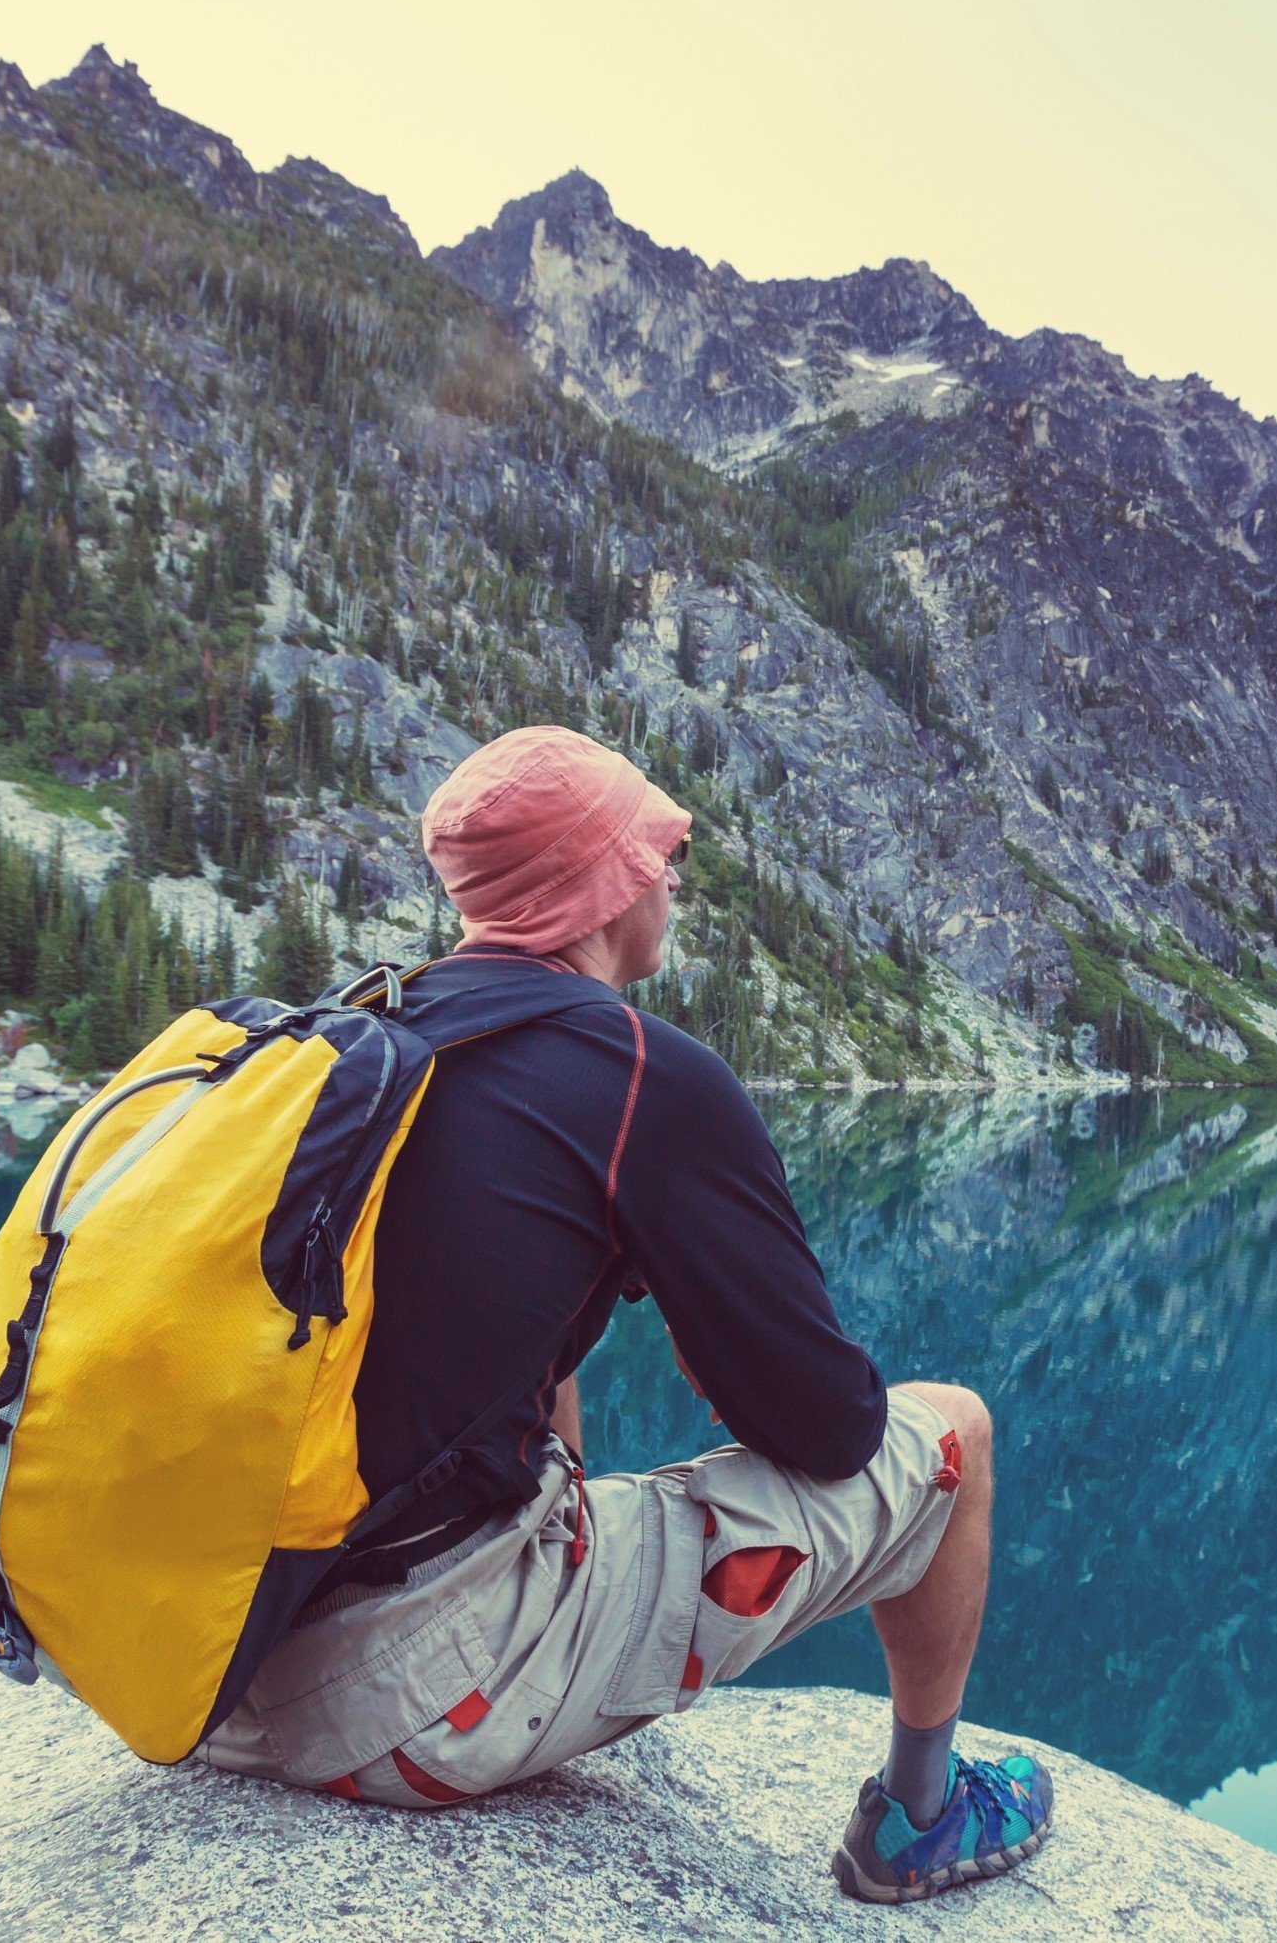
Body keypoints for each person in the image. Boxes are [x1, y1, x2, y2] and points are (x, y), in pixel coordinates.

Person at [202, 724, 1052, 1903]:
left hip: (212, 1665)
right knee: (952, 1430)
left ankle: (534, 1608)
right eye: (661, 853)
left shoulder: (374, 1038)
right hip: (400, 1708)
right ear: (607, 883)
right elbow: (832, 1431)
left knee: (549, 1363)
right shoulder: (644, 1076)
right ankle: (923, 1816)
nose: (672, 878)